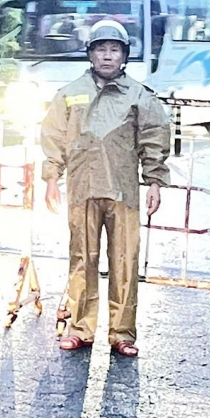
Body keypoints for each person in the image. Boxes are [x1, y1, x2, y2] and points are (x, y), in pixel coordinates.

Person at [41, 19, 171, 357]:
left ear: (124, 56)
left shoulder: (139, 96)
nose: (108, 56)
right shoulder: (70, 94)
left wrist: (155, 180)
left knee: (124, 261)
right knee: (82, 259)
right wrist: (52, 178)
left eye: (115, 50)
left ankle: (122, 333)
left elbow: (154, 138)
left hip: (123, 190)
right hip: (83, 187)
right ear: (90, 54)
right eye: (102, 49)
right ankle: (80, 327)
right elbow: (54, 137)